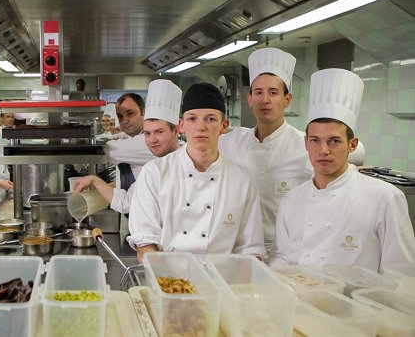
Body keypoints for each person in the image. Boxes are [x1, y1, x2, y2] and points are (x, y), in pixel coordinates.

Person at [271, 68, 415, 272]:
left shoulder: (384, 198)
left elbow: (401, 272)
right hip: (299, 301)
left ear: (352, 144)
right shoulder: (292, 199)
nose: (323, 150)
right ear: (306, 143)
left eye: (334, 141)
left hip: (357, 303)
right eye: (315, 140)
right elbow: (281, 258)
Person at [127, 83, 265, 263]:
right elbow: (145, 243)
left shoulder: (242, 180)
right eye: (192, 119)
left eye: (210, 119)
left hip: (224, 282)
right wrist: (167, 285)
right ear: (182, 125)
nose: (201, 127)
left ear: (224, 126)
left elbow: (251, 249)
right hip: (168, 280)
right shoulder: (154, 173)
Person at [218, 48, 312, 246]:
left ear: (287, 100)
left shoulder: (305, 147)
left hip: (286, 251)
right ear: (250, 99)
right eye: (258, 92)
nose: (265, 100)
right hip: (237, 250)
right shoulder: (230, 142)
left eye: (273, 92)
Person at [75, 79, 182, 215]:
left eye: (159, 132)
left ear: (177, 130)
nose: (152, 139)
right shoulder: (152, 170)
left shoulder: (182, 164)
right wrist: (94, 180)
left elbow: (109, 151)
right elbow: (126, 203)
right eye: (148, 133)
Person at [104, 92, 155, 193]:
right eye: (120, 116)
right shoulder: (131, 137)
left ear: (143, 112)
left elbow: (109, 150)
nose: (125, 121)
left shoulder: (151, 141)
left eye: (130, 113)